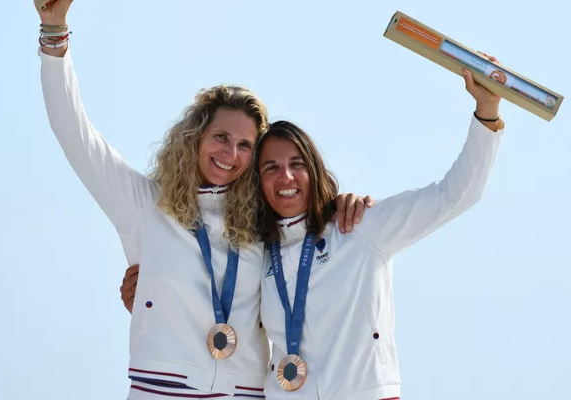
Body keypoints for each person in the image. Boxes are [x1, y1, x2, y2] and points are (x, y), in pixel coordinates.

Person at [36, 1, 371, 399]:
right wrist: (54, 33)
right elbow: (74, 133)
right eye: (221, 138)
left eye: (245, 145)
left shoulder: (261, 224)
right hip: (161, 390)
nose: (230, 154)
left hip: (245, 393)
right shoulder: (145, 205)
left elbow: (305, 279)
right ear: (195, 136)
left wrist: (335, 204)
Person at [121, 68, 505, 399]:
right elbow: (216, 301)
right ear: (256, 181)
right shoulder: (258, 250)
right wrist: (152, 296)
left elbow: (456, 195)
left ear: (315, 169)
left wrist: (486, 115)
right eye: (270, 167)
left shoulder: (360, 227)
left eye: (296, 164)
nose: (285, 177)